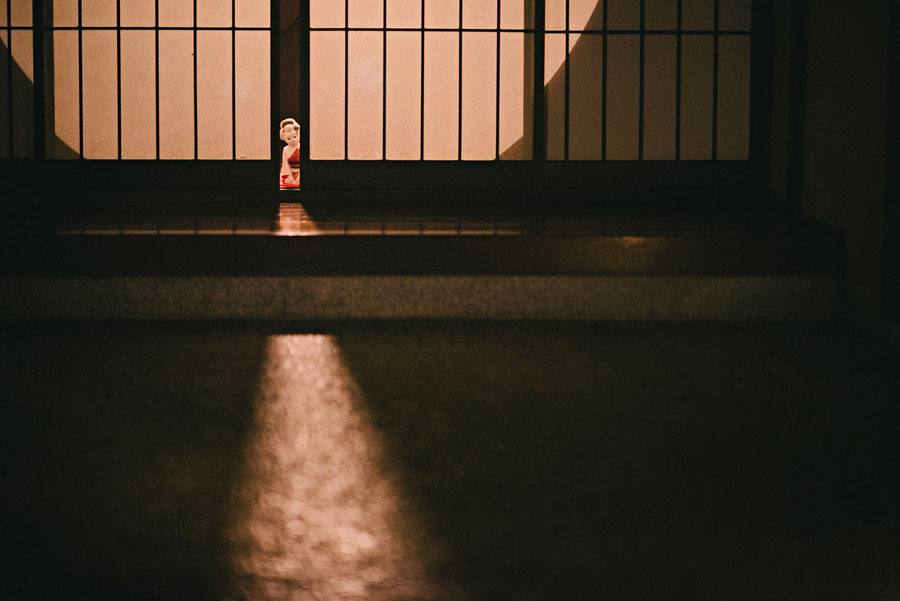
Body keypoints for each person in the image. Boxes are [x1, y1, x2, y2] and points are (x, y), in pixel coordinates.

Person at [279, 118, 301, 189]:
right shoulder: (285, 149)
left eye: (295, 137)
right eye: (288, 138)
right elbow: (285, 165)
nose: (293, 140)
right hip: (290, 172)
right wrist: (287, 175)